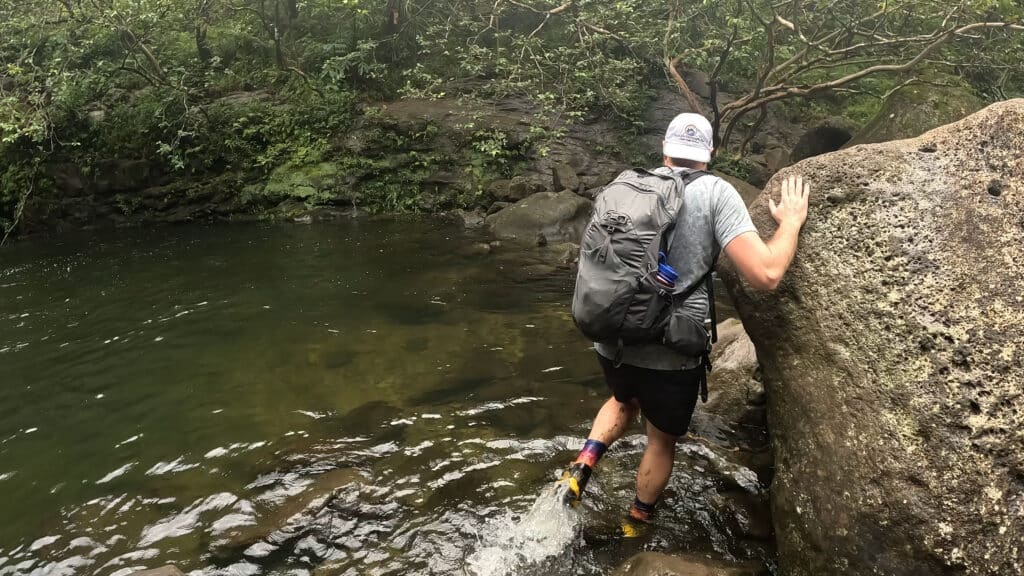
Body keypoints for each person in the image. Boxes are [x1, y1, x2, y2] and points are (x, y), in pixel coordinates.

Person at [555, 112, 810, 534]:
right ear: (709, 152)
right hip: (672, 346)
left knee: (622, 400)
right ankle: (634, 525)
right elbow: (766, 274)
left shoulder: (625, 185)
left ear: (665, 148)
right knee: (660, 440)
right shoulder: (716, 194)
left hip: (611, 333)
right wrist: (791, 223)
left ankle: (581, 467)